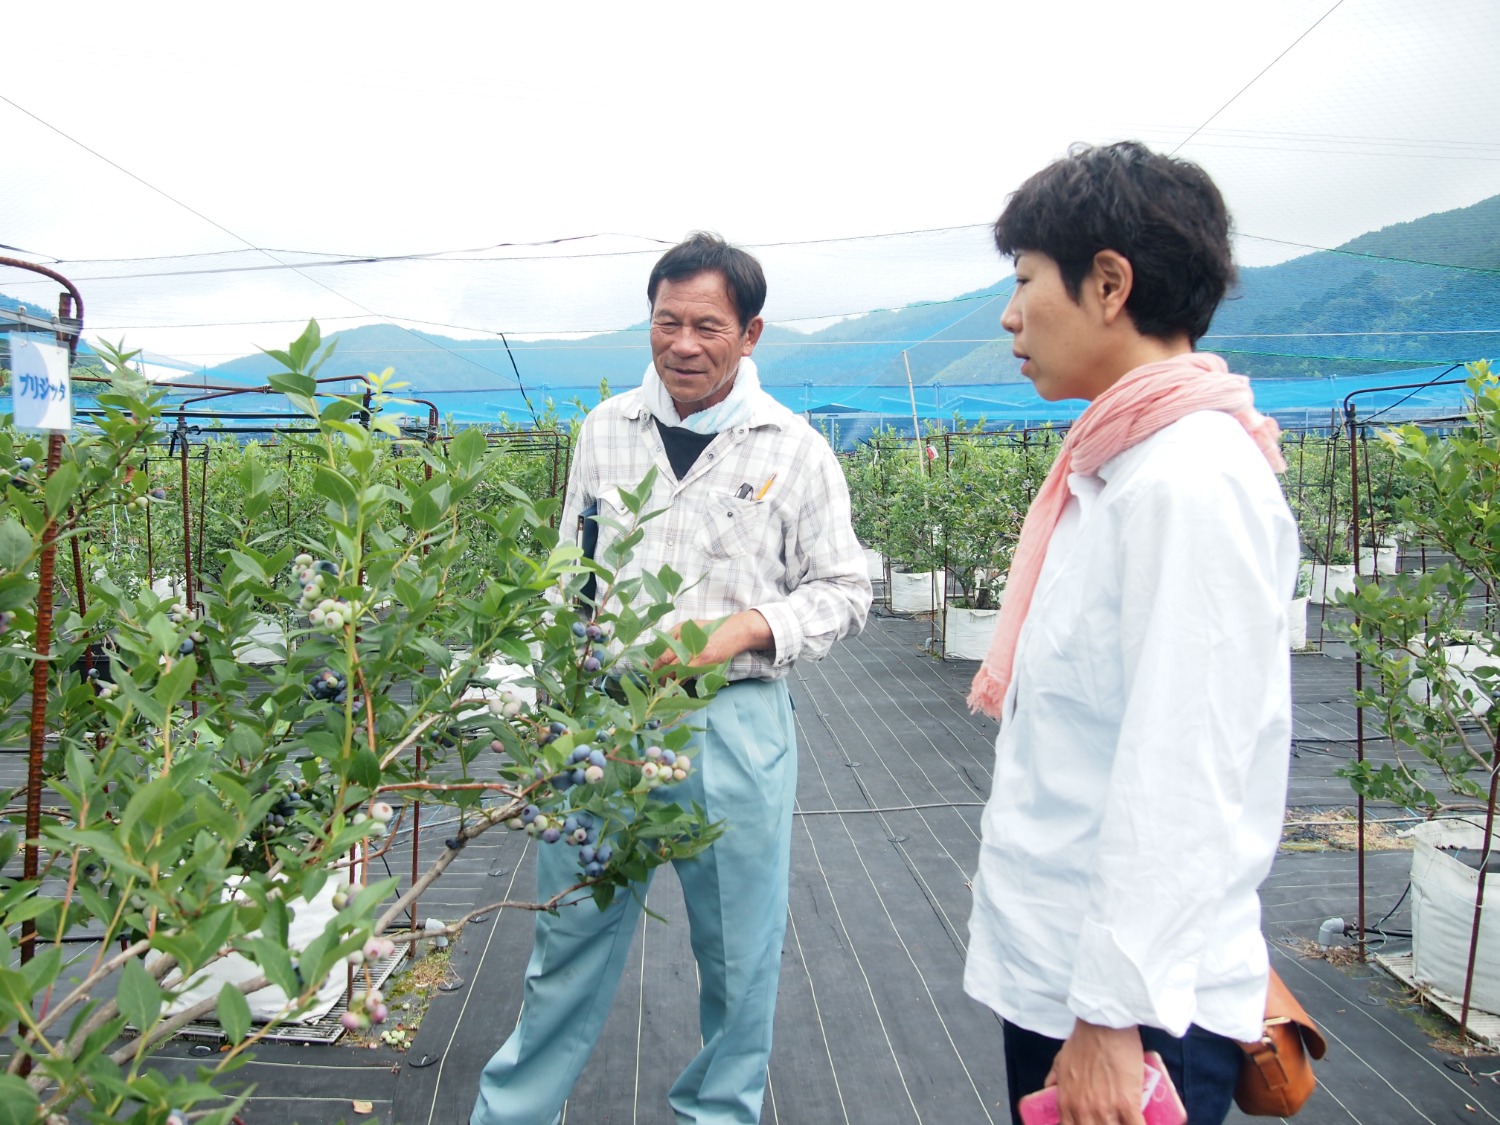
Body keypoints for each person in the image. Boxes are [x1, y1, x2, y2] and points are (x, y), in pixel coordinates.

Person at [471, 232, 872, 1125]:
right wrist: (544, 700)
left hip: (731, 726)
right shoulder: (604, 431)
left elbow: (846, 589)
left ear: (750, 332)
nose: (683, 344)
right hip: (604, 722)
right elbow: (568, 579)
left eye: (707, 326)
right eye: (666, 322)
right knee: (566, 937)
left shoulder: (797, 452)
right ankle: (511, 1113)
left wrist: (746, 627)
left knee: (738, 956)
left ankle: (718, 1113)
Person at [962, 142, 1299, 1125]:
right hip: (1073, 977)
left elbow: (1183, 768)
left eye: (1026, 281)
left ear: (1109, 283)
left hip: (1126, 1011)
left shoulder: (1188, 481)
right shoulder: (1120, 466)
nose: (1010, 314)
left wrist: (1114, 1017)